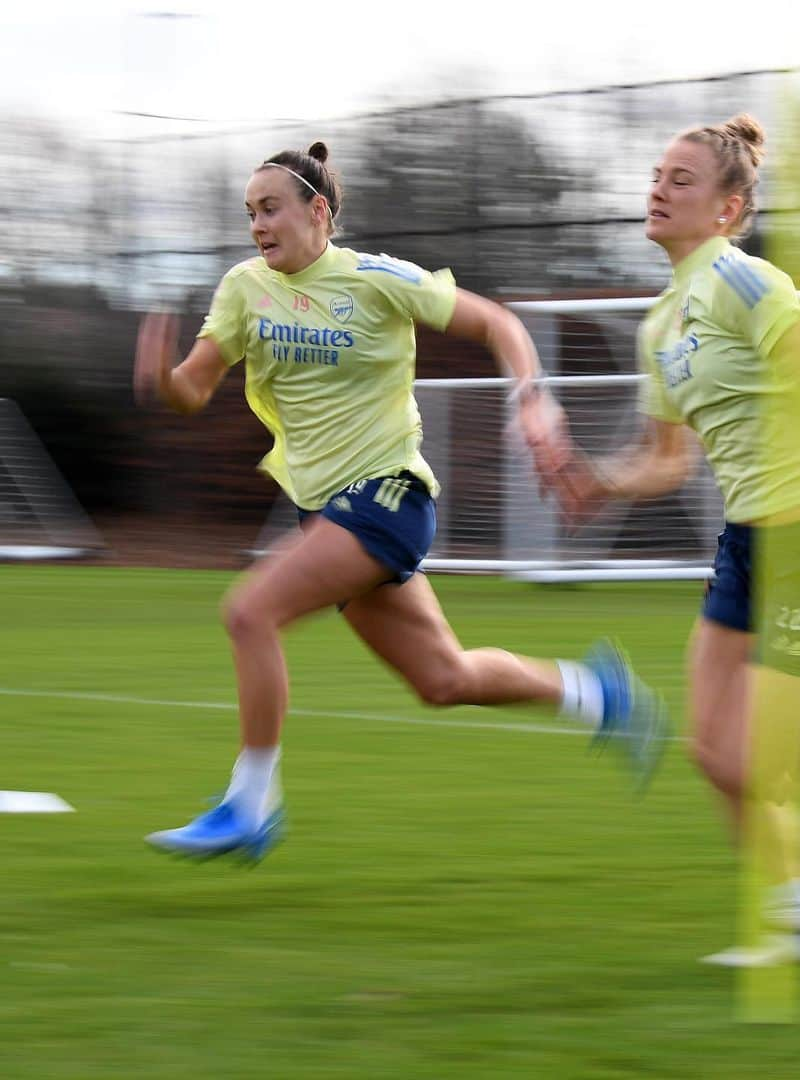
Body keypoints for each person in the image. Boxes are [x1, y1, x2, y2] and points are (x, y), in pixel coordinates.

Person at [133, 140, 667, 862]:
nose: (257, 226)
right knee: (443, 680)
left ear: (317, 212)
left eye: (270, 209)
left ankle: (249, 804)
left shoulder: (377, 279)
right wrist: (161, 379)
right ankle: (596, 693)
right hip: (327, 511)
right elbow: (194, 388)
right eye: (250, 213)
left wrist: (532, 400)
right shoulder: (243, 288)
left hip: (388, 496)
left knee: (249, 612)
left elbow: (499, 325)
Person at [544, 115, 800, 967]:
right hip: (743, 549)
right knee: (715, 755)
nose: (658, 187)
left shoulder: (744, 281)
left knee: (770, 764)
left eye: (681, 179)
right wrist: (599, 478)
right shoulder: (660, 326)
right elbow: (667, 460)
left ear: (728, 210)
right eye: (657, 173)